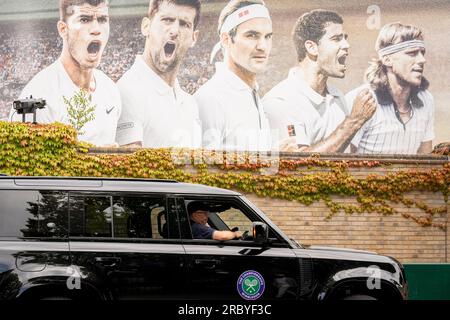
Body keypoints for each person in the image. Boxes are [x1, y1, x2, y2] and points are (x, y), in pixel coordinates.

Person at [10, 0, 121, 147]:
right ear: (63, 29)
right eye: (84, 19)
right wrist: (94, 160)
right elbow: (21, 162)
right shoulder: (35, 95)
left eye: (102, 19)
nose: (96, 29)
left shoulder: (111, 90)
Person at [263, 9, 376, 153]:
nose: (346, 45)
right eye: (336, 39)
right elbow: (300, 166)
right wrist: (354, 121)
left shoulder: (337, 96)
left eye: (345, 38)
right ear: (312, 48)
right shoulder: (279, 102)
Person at [195, 0, 282, 152]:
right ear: (226, 39)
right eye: (251, 35)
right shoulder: (210, 98)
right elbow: (200, 171)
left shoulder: (252, 95)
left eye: (267, 36)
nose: (262, 46)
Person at [115, 0, 202, 148]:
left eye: (184, 24)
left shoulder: (190, 103)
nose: (175, 31)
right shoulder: (126, 91)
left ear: (194, 38)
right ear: (146, 26)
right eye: (167, 20)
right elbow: (129, 168)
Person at [346, 23, 434, 154]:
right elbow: (344, 162)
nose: (422, 60)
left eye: (422, 53)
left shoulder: (426, 99)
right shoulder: (361, 99)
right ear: (387, 60)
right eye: (412, 53)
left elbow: (426, 161)